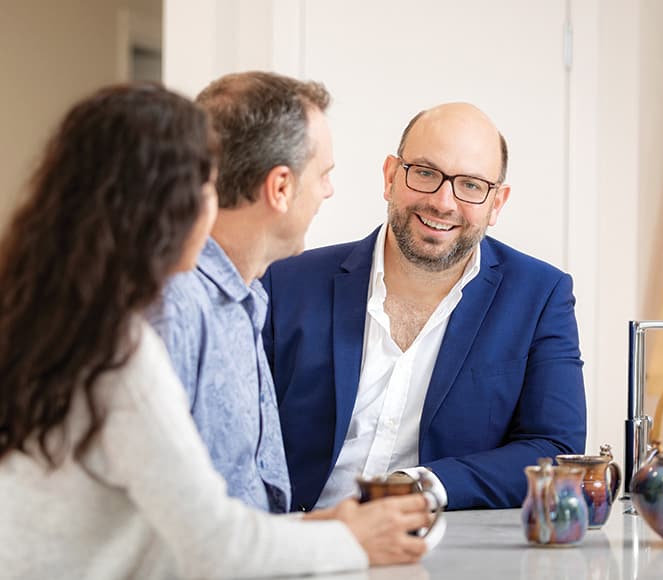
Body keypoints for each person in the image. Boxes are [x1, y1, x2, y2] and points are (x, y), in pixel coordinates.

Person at [0, 83, 430, 580]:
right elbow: (209, 545)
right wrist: (347, 539)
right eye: (207, 184)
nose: (216, 204)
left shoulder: (84, 319)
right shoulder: (135, 339)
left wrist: (315, 532)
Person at [262, 102, 587, 512]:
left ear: (497, 203)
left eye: (471, 185)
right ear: (390, 177)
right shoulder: (287, 282)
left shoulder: (540, 295)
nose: (443, 202)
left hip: (437, 554)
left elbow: (555, 450)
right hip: (297, 543)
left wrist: (422, 485)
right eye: (426, 173)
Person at [148, 71, 341, 512]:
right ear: (280, 188)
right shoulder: (173, 305)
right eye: (324, 174)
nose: (329, 191)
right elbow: (167, 519)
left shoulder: (247, 295)